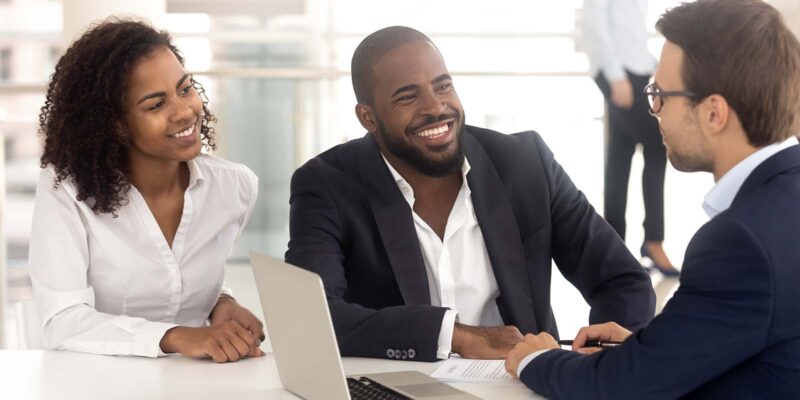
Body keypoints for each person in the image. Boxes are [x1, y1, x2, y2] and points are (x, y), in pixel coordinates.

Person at [285, 26, 655, 362]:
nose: (435, 108)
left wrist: (604, 360)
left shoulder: (526, 164)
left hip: (519, 383)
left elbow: (621, 279)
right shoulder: (326, 185)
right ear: (368, 118)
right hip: (402, 387)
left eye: (443, 86)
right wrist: (455, 336)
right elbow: (311, 315)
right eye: (407, 97)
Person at [506, 0, 800, 397]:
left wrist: (534, 358)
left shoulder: (739, 242)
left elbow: (621, 389)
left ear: (714, 113)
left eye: (660, 94)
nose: (654, 110)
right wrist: (651, 349)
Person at [30, 19, 264, 363]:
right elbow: (62, 321)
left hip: (200, 381)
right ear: (115, 124)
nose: (185, 111)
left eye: (185, 89)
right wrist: (175, 337)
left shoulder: (235, 189)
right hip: (96, 384)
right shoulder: (67, 191)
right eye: (156, 105)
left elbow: (173, 283)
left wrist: (221, 303)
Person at [582, 0, 678, 275]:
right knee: (658, 145)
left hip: (635, 70)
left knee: (620, 155)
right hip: (617, 71)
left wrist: (654, 66)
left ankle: (615, 250)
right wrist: (615, 75)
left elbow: (632, 30)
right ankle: (653, 240)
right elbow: (595, 22)